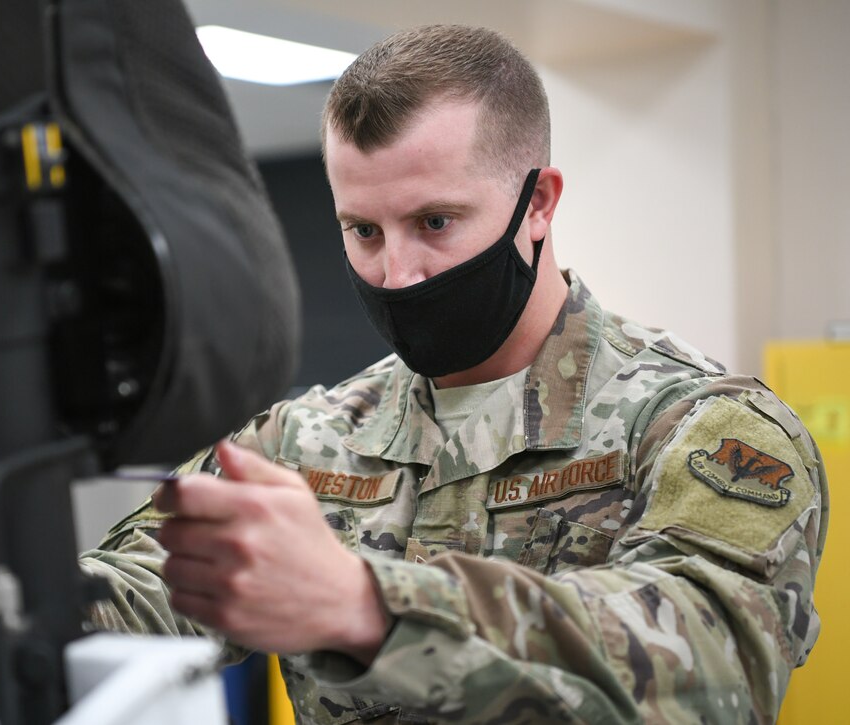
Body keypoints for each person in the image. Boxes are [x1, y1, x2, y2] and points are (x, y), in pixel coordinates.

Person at [79, 24, 827, 724]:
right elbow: (137, 588)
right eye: (363, 231)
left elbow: (715, 659)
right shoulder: (305, 442)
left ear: (537, 203)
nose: (398, 274)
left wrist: (365, 604)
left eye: (434, 222)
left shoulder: (701, 427)